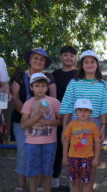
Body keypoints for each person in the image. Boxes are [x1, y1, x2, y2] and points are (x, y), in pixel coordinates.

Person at [59, 50, 107, 191]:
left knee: (91, 159)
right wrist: (64, 129)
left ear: (97, 64)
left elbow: (105, 108)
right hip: (75, 124)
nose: (89, 65)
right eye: (86, 62)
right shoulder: (73, 83)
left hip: (95, 123)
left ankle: (88, 189)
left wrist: (103, 127)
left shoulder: (104, 85)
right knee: (75, 157)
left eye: (92, 62)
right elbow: (67, 106)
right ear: (81, 65)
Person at [11, 48, 56, 192]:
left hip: (45, 123)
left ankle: (40, 187)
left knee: (42, 154)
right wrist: (31, 116)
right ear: (29, 60)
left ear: (45, 62)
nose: (38, 61)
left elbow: (54, 100)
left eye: (42, 59)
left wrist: (44, 119)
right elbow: (13, 97)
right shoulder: (19, 76)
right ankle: (20, 185)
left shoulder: (49, 77)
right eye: (35, 58)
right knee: (24, 153)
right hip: (22, 120)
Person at [20, 72, 62, 192]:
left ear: (47, 87)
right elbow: (23, 125)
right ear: (31, 87)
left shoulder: (54, 102)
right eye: (37, 85)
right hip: (32, 143)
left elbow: (61, 121)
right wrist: (38, 114)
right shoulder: (28, 104)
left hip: (50, 142)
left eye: (43, 86)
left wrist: (47, 123)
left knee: (47, 170)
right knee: (32, 170)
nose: (40, 88)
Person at [51, 45, 78, 188]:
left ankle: (72, 179)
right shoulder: (54, 75)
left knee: (74, 149)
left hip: (77, 118)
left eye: (72, 55)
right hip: (59, 117)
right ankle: (55, 178)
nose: (68, 58)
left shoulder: (80, 74)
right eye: (65, 55)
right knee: (59, 148)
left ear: (75, 58)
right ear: (61, 57)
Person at [62, 99, 100, 192]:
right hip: (72, 158)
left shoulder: (93, 126)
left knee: (86, 182)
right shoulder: (71, 125)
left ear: (91, 112)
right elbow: (66, 141)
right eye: (80, 110)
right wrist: (64, 157)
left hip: (87, 159)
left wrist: (95, 158)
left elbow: (97, 143)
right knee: (74, 182)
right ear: (75, 112)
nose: (83, 112)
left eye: (86, 110)